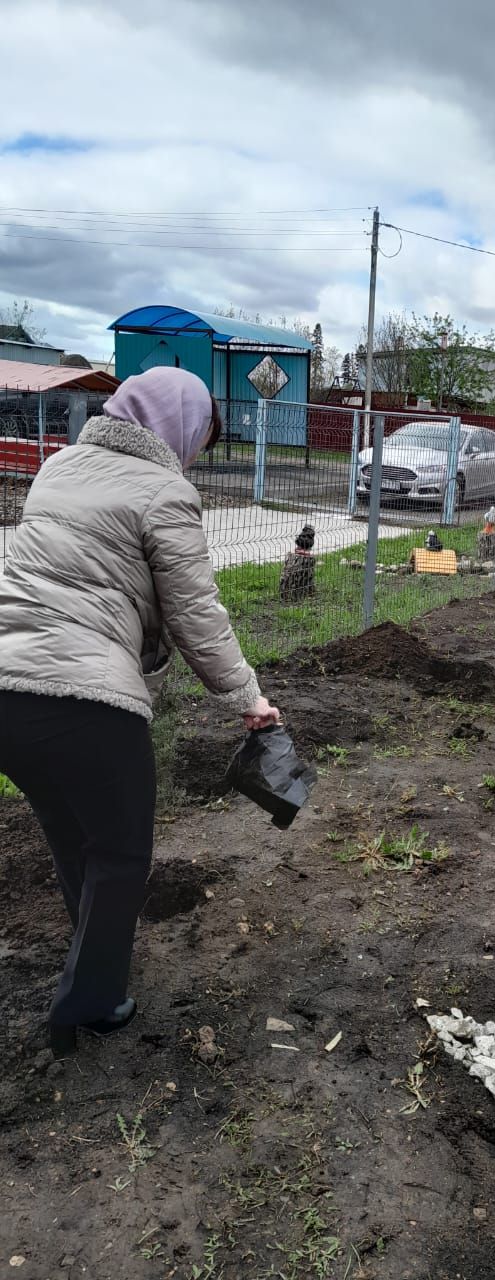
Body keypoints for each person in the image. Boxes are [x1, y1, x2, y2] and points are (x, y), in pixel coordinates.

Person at [0, 367, 281, 1057]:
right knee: (122, 854)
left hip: (6, 690)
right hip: (86, 698)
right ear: (177, 427)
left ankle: (90, 966)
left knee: (75, 837)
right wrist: (249, 698)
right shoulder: (164, 491)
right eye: (197, 441)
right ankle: (92, 1004)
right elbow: (196, 614)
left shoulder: (59, 468)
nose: (193, 456)